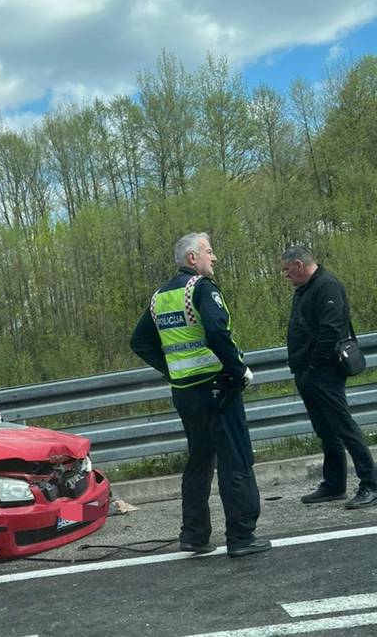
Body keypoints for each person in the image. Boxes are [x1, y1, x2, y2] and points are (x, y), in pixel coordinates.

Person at [130, 232, 270, 558]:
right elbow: (217, 332)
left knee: (199, 461)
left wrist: (172, 370)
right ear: (192, 258)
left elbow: (139, 341)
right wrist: (238, 370)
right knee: (235, 460)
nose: (214, 257)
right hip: (217, 389)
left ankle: (193, 535)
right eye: (209, 251)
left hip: (185, 393)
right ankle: (241, 536)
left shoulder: (160, 297)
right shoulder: (202, 289)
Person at [281, 246, 377, 508]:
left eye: (287, 269)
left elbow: (330, 331)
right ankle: (334, 484)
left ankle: (370, 484)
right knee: (326, 430)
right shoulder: (304, 289)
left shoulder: (327, 286)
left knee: (344, 427)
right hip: (307, 371)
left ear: (299, 265)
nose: (285, 275)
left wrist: (313, 368)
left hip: (324, 371)